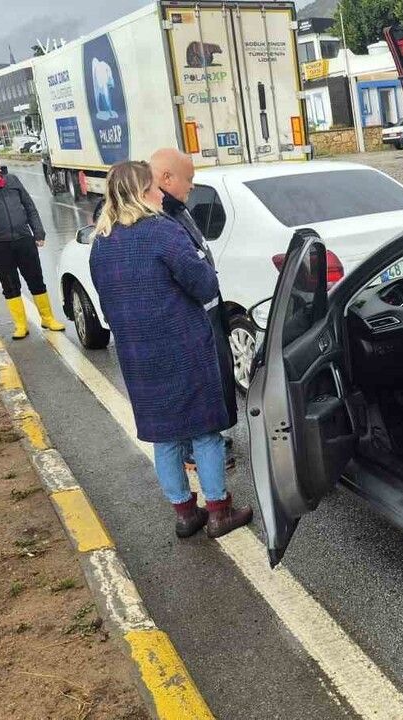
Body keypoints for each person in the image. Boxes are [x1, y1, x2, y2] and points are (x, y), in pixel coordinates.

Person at [89, 161, 252, 540]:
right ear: (142, 192)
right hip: (183, 348)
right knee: (205, 433)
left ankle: (184, 514)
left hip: (136, 356)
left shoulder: (102, 242)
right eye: (154, 188)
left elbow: (107, 299)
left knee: (165, 438)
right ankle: (218, 510)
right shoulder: (164, 231)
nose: (161, 194)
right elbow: (204, 285)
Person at [149, 148, 237, 471]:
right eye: (189, 179)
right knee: (196, 392)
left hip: (208, 312)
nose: (191, 187)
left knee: (218, 380)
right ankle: (194, 451)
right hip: (188, 319)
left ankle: (203, 442)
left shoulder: (176, 208)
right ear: (166, 177)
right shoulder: (158, 217)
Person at [0, 144, 64, 339]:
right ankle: (20, 324)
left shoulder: (12, 179)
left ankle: (47, 317)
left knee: (36, 279)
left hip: (23, 238)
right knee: (10, 284)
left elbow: (29, 206)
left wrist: (38, 231)